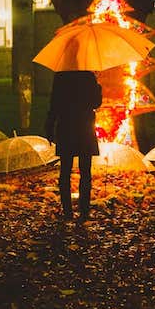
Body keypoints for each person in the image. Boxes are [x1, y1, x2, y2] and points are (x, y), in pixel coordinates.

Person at [45, 70, 102, 220]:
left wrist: (49, 127)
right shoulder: (88, 76)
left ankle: (67, 211)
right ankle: (84, 210)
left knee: (65, 171)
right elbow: (96, 103)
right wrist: (98, 86)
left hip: (66, 127)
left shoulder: (60, 76)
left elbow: (54, 104)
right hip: (84, 127)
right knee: (85, 171)